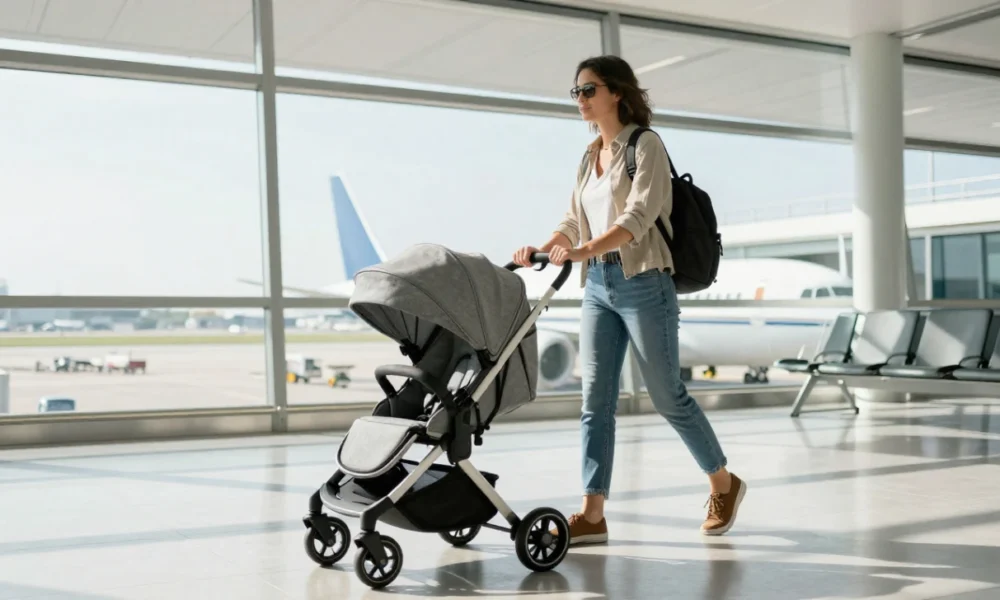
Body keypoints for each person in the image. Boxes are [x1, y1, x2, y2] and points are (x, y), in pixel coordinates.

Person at [513, 55, 746, 544]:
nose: (580, 99)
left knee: (667, 395)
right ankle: (592, 513)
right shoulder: (588, 156)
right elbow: (573, 220)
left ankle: (724, 483)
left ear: (616, 92)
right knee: (594, 401)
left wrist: (583, 249)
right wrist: (545, 247)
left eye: (589, 89)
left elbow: (638, 216)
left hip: (643, 281)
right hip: (597, 286)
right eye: (576, 91)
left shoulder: (645, 145)